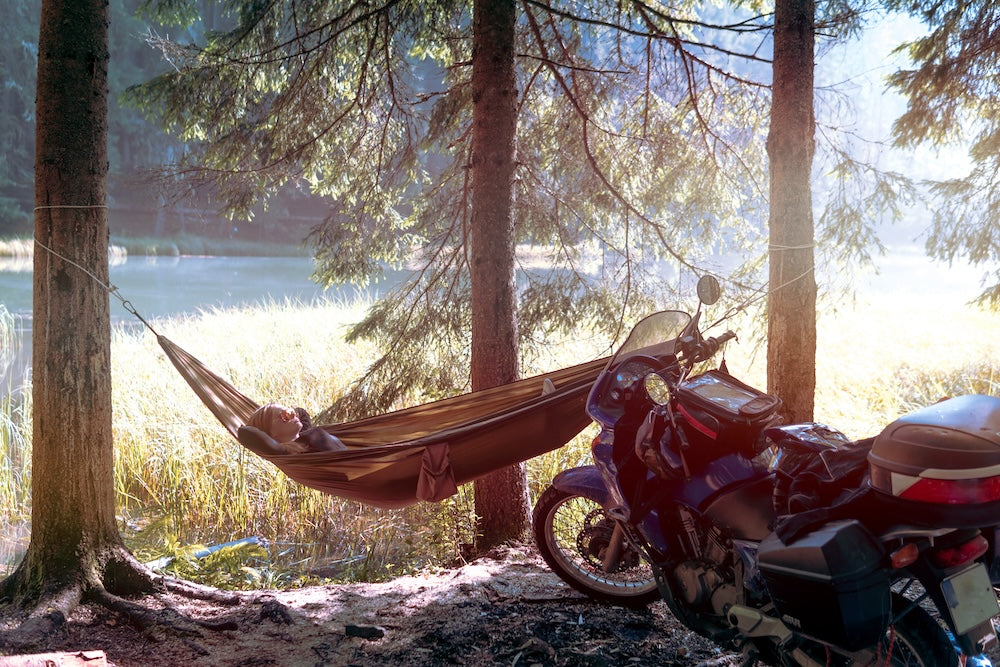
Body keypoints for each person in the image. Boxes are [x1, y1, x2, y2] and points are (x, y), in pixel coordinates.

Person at [246, 403, 347, 454]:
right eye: (284, 416)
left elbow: (302, 413)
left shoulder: (304, 433)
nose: (293, 414)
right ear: (271, 435)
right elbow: (247, 433)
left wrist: (289, 413)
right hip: (358, 466)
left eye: (289, 411)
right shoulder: (291, 452)